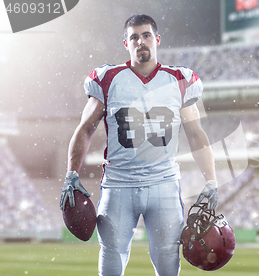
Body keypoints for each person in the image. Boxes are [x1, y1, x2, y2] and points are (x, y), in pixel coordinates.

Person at [59, 14, 218, 276]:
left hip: (164, 183)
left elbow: (196, 133)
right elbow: (85, 128)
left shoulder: (179, 79)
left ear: (156, 40)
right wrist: (71, 173)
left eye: (146, 35)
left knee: (168, 258)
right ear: (126, 44)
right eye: (134, 37)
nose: (140, 41)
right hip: (119, 184)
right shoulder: (108, 78)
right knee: (111, 254)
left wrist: (211, 180)